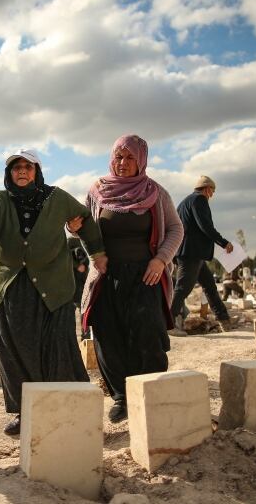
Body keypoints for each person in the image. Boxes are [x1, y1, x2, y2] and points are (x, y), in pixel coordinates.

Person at [0, 149, 106, 436]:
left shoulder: (56, 198)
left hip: (53, 287)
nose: (22, 172)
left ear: (37, 171)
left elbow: (84, 220)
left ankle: (71, 411)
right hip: (9, 288)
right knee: (14, 351)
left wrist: (97, 253)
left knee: (58, 348)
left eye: (28, 167)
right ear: (8, 173)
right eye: (16, 168)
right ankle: (27, 413)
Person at [79, 134, 183, 423]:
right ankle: (121, 397)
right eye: (118, 157)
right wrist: (93, 253)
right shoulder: (97, 191)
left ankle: (150, 393)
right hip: (106, 276)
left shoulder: (155, 193)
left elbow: (176, 229)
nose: (122, 163)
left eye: (129, 158)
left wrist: (161, 259)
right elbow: (84, 227)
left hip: (145, 274)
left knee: (147, 331)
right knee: (107, 335)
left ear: (142, 161)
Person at [170, 175, 234, 331]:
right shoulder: (199, 200)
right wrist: (224, 242)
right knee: (182, 288)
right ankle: (168, 324)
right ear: (206, 189)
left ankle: (224, 320)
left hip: (190, 252)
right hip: (191, 253)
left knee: (210, 287)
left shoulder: (185, 202)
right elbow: (205, 225)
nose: (212, 195)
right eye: (212, 191)